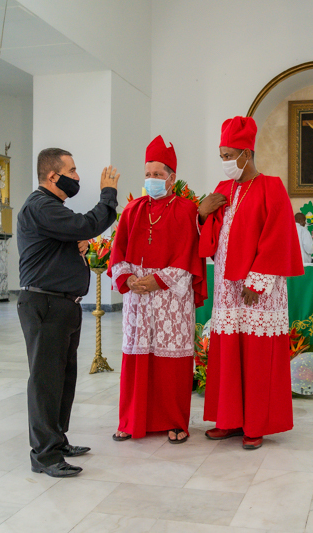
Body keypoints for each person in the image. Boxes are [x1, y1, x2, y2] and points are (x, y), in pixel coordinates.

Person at [197, 116, 304, 450]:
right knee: (228, 353)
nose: (226, 162)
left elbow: (278, 238)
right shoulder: (222, 189)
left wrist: (257, 282)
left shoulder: (271, 187)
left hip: (259, 288)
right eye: (222, 156)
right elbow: (208, 238)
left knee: (256, 356)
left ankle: (255, 424)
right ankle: (228, 421)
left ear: (247, 153)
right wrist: (201, 214)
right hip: (227, 288)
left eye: (230, 155)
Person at [17, 148, 119, 477]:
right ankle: (45, 455)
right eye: (72, 170)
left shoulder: (52, 209)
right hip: (45, 305)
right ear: (52, 176)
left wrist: (83, 244)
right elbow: (88, 222)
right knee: (46, 381)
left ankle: (57, 440)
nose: (77, 176)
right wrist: (108, 194)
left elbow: (74, 234)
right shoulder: (40, 206)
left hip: (62, 305)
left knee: (64, 378)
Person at [108, 136, 206, 445]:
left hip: (171, 298)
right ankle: (131, 419)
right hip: (138, 296)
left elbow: (188, 254)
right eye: (148, 174)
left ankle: (175, 421)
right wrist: (128, 279)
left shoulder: (186, 210)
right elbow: (118, 250)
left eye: (158, 174)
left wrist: (157, 281)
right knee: (137, 356)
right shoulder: (134, 210)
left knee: (170, 361)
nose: (152, 180)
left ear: (172, 178)